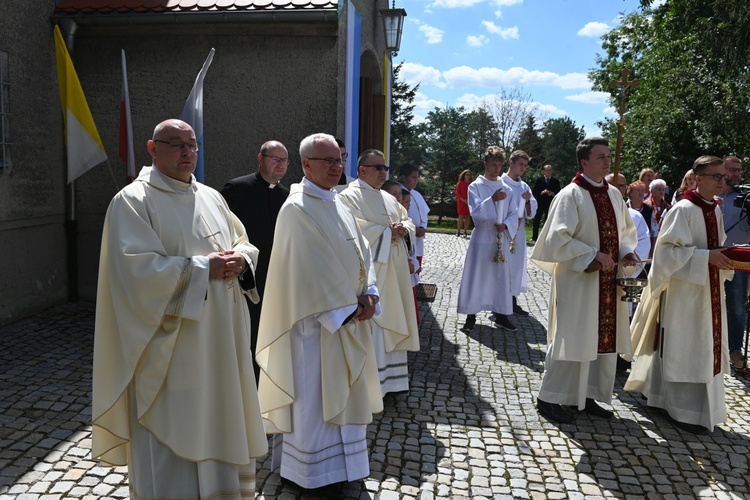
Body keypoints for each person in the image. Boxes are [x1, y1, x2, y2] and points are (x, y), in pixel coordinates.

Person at [92, 119, 267, 499]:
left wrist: (241, 260)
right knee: (177, 433)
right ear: (152, 149)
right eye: (175, 144)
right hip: (173, 349)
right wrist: (204, 269)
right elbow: (133, 273)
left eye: (192, 144)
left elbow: (242, 242)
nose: (187, 152)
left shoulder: (211, 196)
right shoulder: (133, 201)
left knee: (220, 415)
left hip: (221, 343)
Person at [255, 133, 383, 493]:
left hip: (349, 317)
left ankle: (343, 469)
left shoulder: (338, 203)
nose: (336, 166)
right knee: (314, 399)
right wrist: (348, 307)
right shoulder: (297, 208)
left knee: (344, 391)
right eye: (327, 160)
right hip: (316, 326)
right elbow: (309, 269)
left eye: (339, 160)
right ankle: (309, 474)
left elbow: (363, 254)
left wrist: (370, 292)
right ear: (306, 164)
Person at [530, 137, 637, 424]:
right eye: (600, 157)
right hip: (580, 281)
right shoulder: (570, 195)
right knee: (572, 337)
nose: (607, 161)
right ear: (584, 162)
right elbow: (556, 240)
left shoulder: (614, 194)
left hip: (607, 283)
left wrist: (626, 253)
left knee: (600, 340)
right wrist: (593, 254)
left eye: (608, 156)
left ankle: (588, 395)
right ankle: (549, 397)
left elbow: (625, 233)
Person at [626, 155, 733, 433]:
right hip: (684, 293)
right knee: (685, 348)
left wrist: (729, 256)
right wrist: (706, 258)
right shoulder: (683, 209)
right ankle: (679, 409)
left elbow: (716, 247)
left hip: (707, 291)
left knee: (703, 347)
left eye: (724, 176)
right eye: (717, 176)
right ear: (699, 179)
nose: (723, 181)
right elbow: (665, 254)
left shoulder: (714, 210)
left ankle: (688, 406)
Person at [340, 149, 419, 395]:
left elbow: (408, 220)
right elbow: (350, 232)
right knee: (376, 325)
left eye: (385, 167)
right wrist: (387, 233)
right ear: (362, 170)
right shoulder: (348, 197)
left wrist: (404, 229)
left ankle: (392, 383)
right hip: (373, 274)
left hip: (394, 272)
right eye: (378, 167)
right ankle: (372, 388)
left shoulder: (387, 198)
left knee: (392, 319)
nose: (383, 172)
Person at [221, 140, 290, 383]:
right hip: (246, 277)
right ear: (260, 159)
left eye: (284, 160)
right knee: (246, 332)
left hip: (277, 276)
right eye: (275, 159)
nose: (280, 165)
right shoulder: (237, 189)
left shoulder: (288, 195)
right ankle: (244, 380)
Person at [457, 146, 519, 333]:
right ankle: (471, 315)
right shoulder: (476, 186)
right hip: (482, 237)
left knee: (499, 278)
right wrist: (491, 199)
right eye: (493, 165)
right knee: (478, 276)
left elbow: (514, 213)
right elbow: (475, 213)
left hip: (499, 237)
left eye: (499, 165)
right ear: (485, 164)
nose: (496, 169)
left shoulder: (506, 187)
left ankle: (500, 314)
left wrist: (506, 224)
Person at [717, 155, 748, 369]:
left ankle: (735, 352)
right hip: (713, 257)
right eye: (732, 170)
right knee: (711, 303)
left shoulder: (747, 197)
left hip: (740, 261)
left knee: (737, 307)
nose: (736, 174)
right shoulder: (711, 194)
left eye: (739, 170)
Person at [501, 150, 537, 317]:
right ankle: (500, 300)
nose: (523, 168)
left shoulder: (524, 186)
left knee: (516, 267)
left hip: (519, 232)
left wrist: (528, 200)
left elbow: (531, 212)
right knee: (502, 266)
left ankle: (512, 300)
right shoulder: (500, 183)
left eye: (525, 165)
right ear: (511, 163)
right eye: (520, 164)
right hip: (504, 232)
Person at [400, 163, 430, 269]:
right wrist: (414, 229)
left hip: (418, 240)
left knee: (416, 270)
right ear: (404, 177)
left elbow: (425, 213)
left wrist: (422, 227)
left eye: (417, 177)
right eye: (413, 177)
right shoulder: (398, 193)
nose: (416, 180)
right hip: (405, 237)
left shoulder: (417, 194)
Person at [627, 181, 656, 258]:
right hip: (627, 246)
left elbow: (654, 231)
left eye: (642, 190)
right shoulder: (625, 208)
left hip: (644, 247)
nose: (640, 193)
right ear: (631, 193)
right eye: (637, 190)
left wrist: (653, 249)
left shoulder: (649, 210)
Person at [531, 164, 561, 241]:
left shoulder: (555, 181)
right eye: (547, 170)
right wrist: (542, 192)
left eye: (550, 170)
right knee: (537, 220)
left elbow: (559, 192)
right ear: (544, 171)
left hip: (550, 203)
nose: (548, 172)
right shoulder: (539, 180)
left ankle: (547, 238)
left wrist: (552, 193)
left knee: (548, 221)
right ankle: (534, 237)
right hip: (540, 203)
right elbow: (534, 191)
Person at [456, 169, 472, 237]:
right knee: (461, 217)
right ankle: (459, 231)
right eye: (467, 175)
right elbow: (457, 193)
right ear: (464, 175)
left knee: (468, 217)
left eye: (469, 175)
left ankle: (465, 232)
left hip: (469, 202)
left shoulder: (471, 184)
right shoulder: (460, 183)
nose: (468, 176)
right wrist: (462, 199)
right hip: (461, 202)